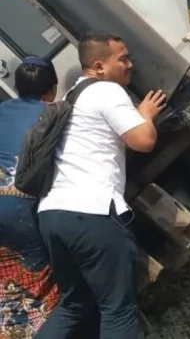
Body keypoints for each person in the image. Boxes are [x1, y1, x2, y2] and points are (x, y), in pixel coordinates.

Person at [37, 31, 167, 339]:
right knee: (118, 310)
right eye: (122, 59)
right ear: (98, 67)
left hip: (53, 216)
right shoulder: (106, 91)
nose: (130, 65)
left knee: (75, 304)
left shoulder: (71, 98)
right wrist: (145, 115)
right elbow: (143, 140)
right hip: (91, 214)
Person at [0, 57, 61, 338]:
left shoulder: (3, 110)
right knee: (44, 276)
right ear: (52, 89)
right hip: (21, 211)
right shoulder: (54, 114)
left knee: (8, 280)